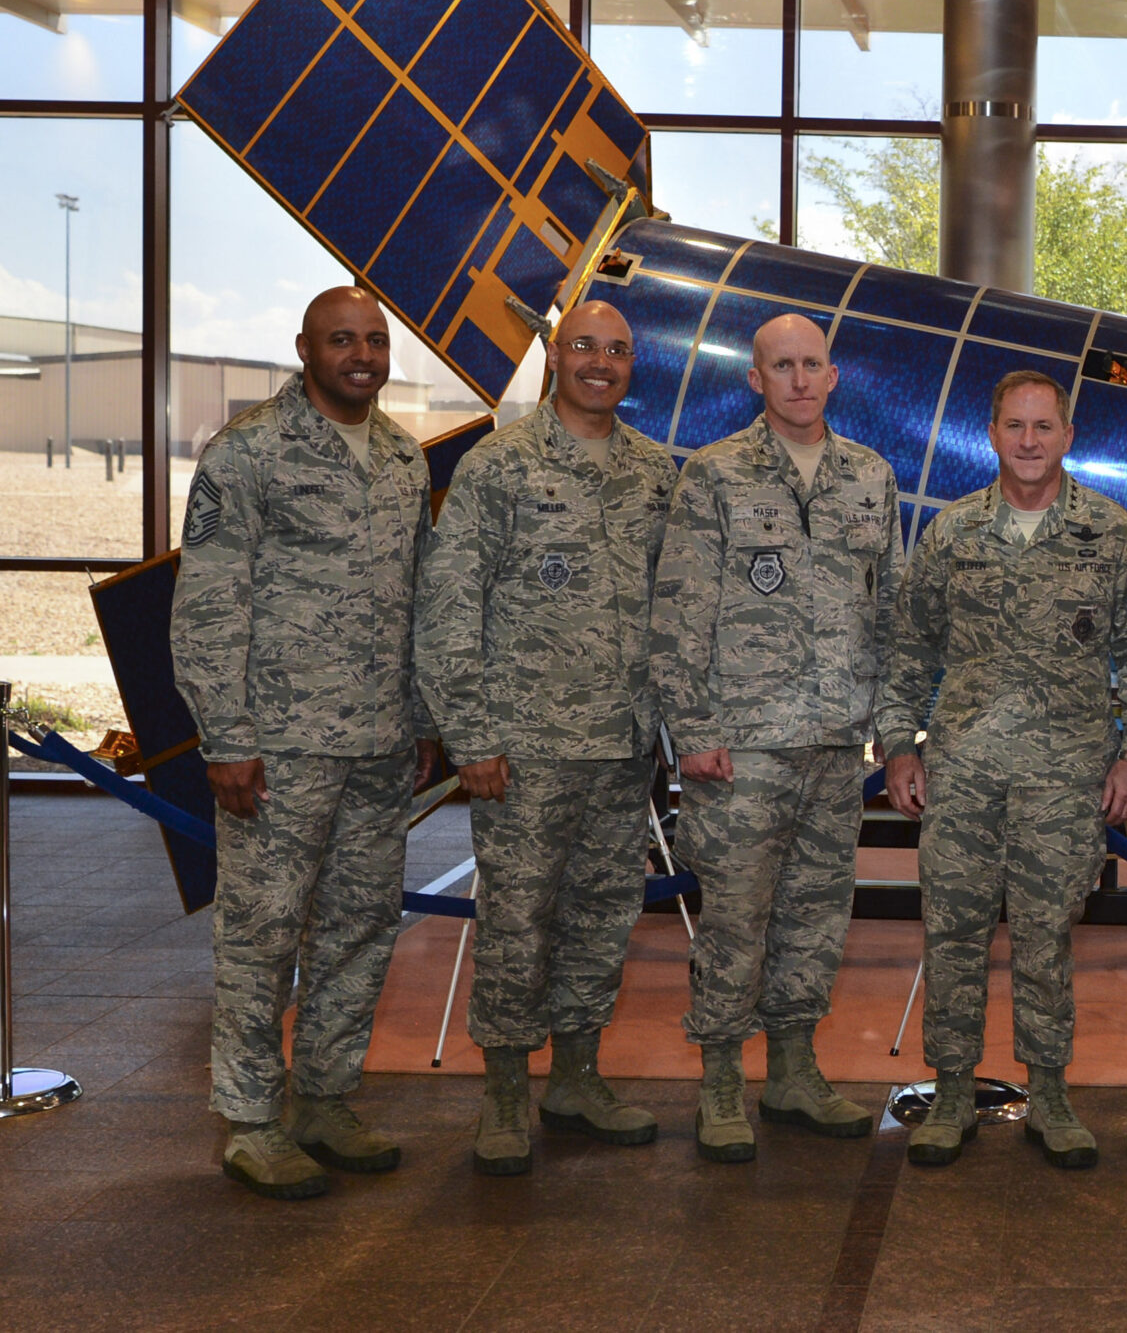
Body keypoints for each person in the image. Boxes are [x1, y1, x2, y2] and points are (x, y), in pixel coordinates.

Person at [171, 286, 436, 1199]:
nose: (360, 354)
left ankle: (324, 1097)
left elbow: (417, 601)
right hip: (277, 748)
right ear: (304, 348)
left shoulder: (403, 458)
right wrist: (226, 734)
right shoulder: (248, 453)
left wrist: (425, 718)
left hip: (378, 741)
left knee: (360, 927)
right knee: (261, 929)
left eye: (373, 339)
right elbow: (208, 603)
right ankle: (249, 1118)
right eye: (341, 340)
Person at [878, 370, 1127, 1170]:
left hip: (1065, 777)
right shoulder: (952, 533)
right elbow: (909, 644)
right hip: (963, 775)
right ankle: (949, 1094)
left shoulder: (1109, 536)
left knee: (1047, 938)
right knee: (953, 935)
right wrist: (899, 745)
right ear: (993, 432)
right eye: (1015, 425)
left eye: (1045, 426)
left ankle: (1049, 1093)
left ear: (1068, 436)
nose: (1030, 440)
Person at [414, 300, 677, 1175]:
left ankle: (576, 1077)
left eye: (618, 349)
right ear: (555, 356)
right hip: (524, 748)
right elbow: (451, 605)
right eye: (585, 347)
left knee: (602, 917)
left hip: (621, 744)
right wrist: (470, 734)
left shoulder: (651, 471)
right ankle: (501, 1095)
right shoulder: (501, 465)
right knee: (517, 921)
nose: (601, 362)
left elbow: (673, 603)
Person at [650, 312, 901, 1163]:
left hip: (835, 743)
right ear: (755, 380)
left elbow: (891, 611)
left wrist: (889, 728)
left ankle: (793, 1070)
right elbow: (679, 612)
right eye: (781, 366)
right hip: (741, 746)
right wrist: (694, 729)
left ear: (835, 376)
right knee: (733, 918)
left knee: (815, 913)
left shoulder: (871, 477)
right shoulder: (715, 476)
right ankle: (722, 1082)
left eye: (813, 364)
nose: (799, 379)